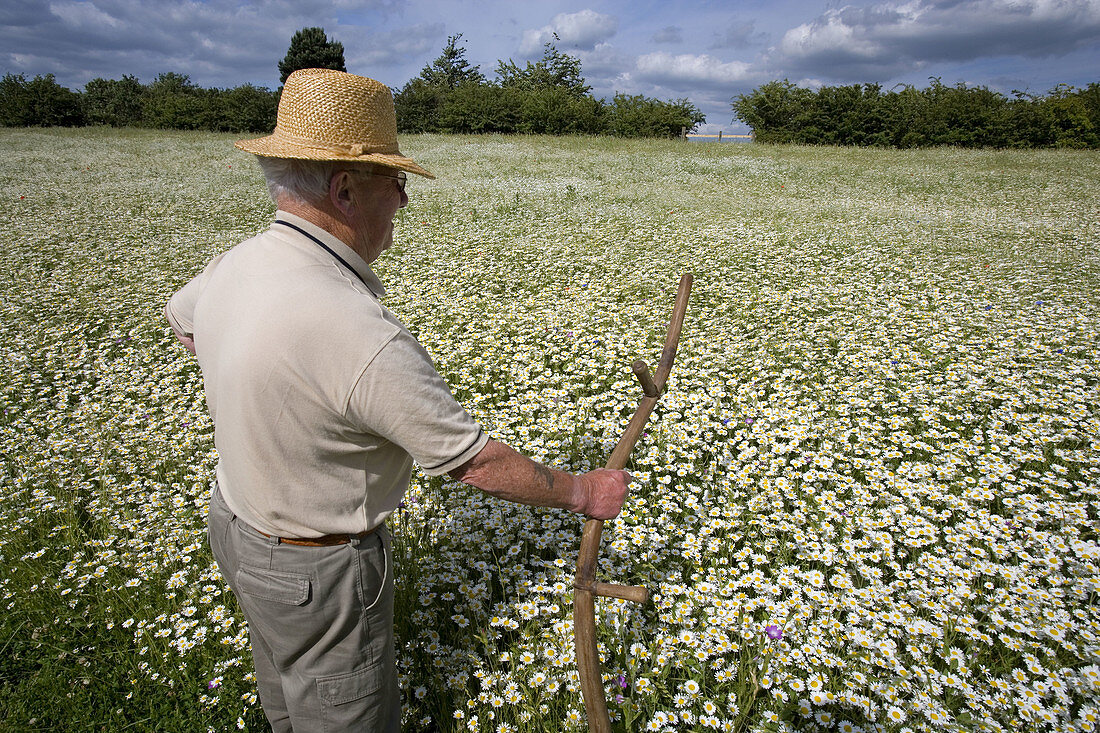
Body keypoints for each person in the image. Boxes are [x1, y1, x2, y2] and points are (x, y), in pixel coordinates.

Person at [165, 68, 631, 732]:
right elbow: (475, 463)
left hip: (236, 527)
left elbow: (184, 322)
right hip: (316, 571)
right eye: (396, 183)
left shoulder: (239, 262)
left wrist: (270, 401)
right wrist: (584, 492)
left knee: (287, 704)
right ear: (344, 188)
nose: (404, 202)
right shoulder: (353, 331)